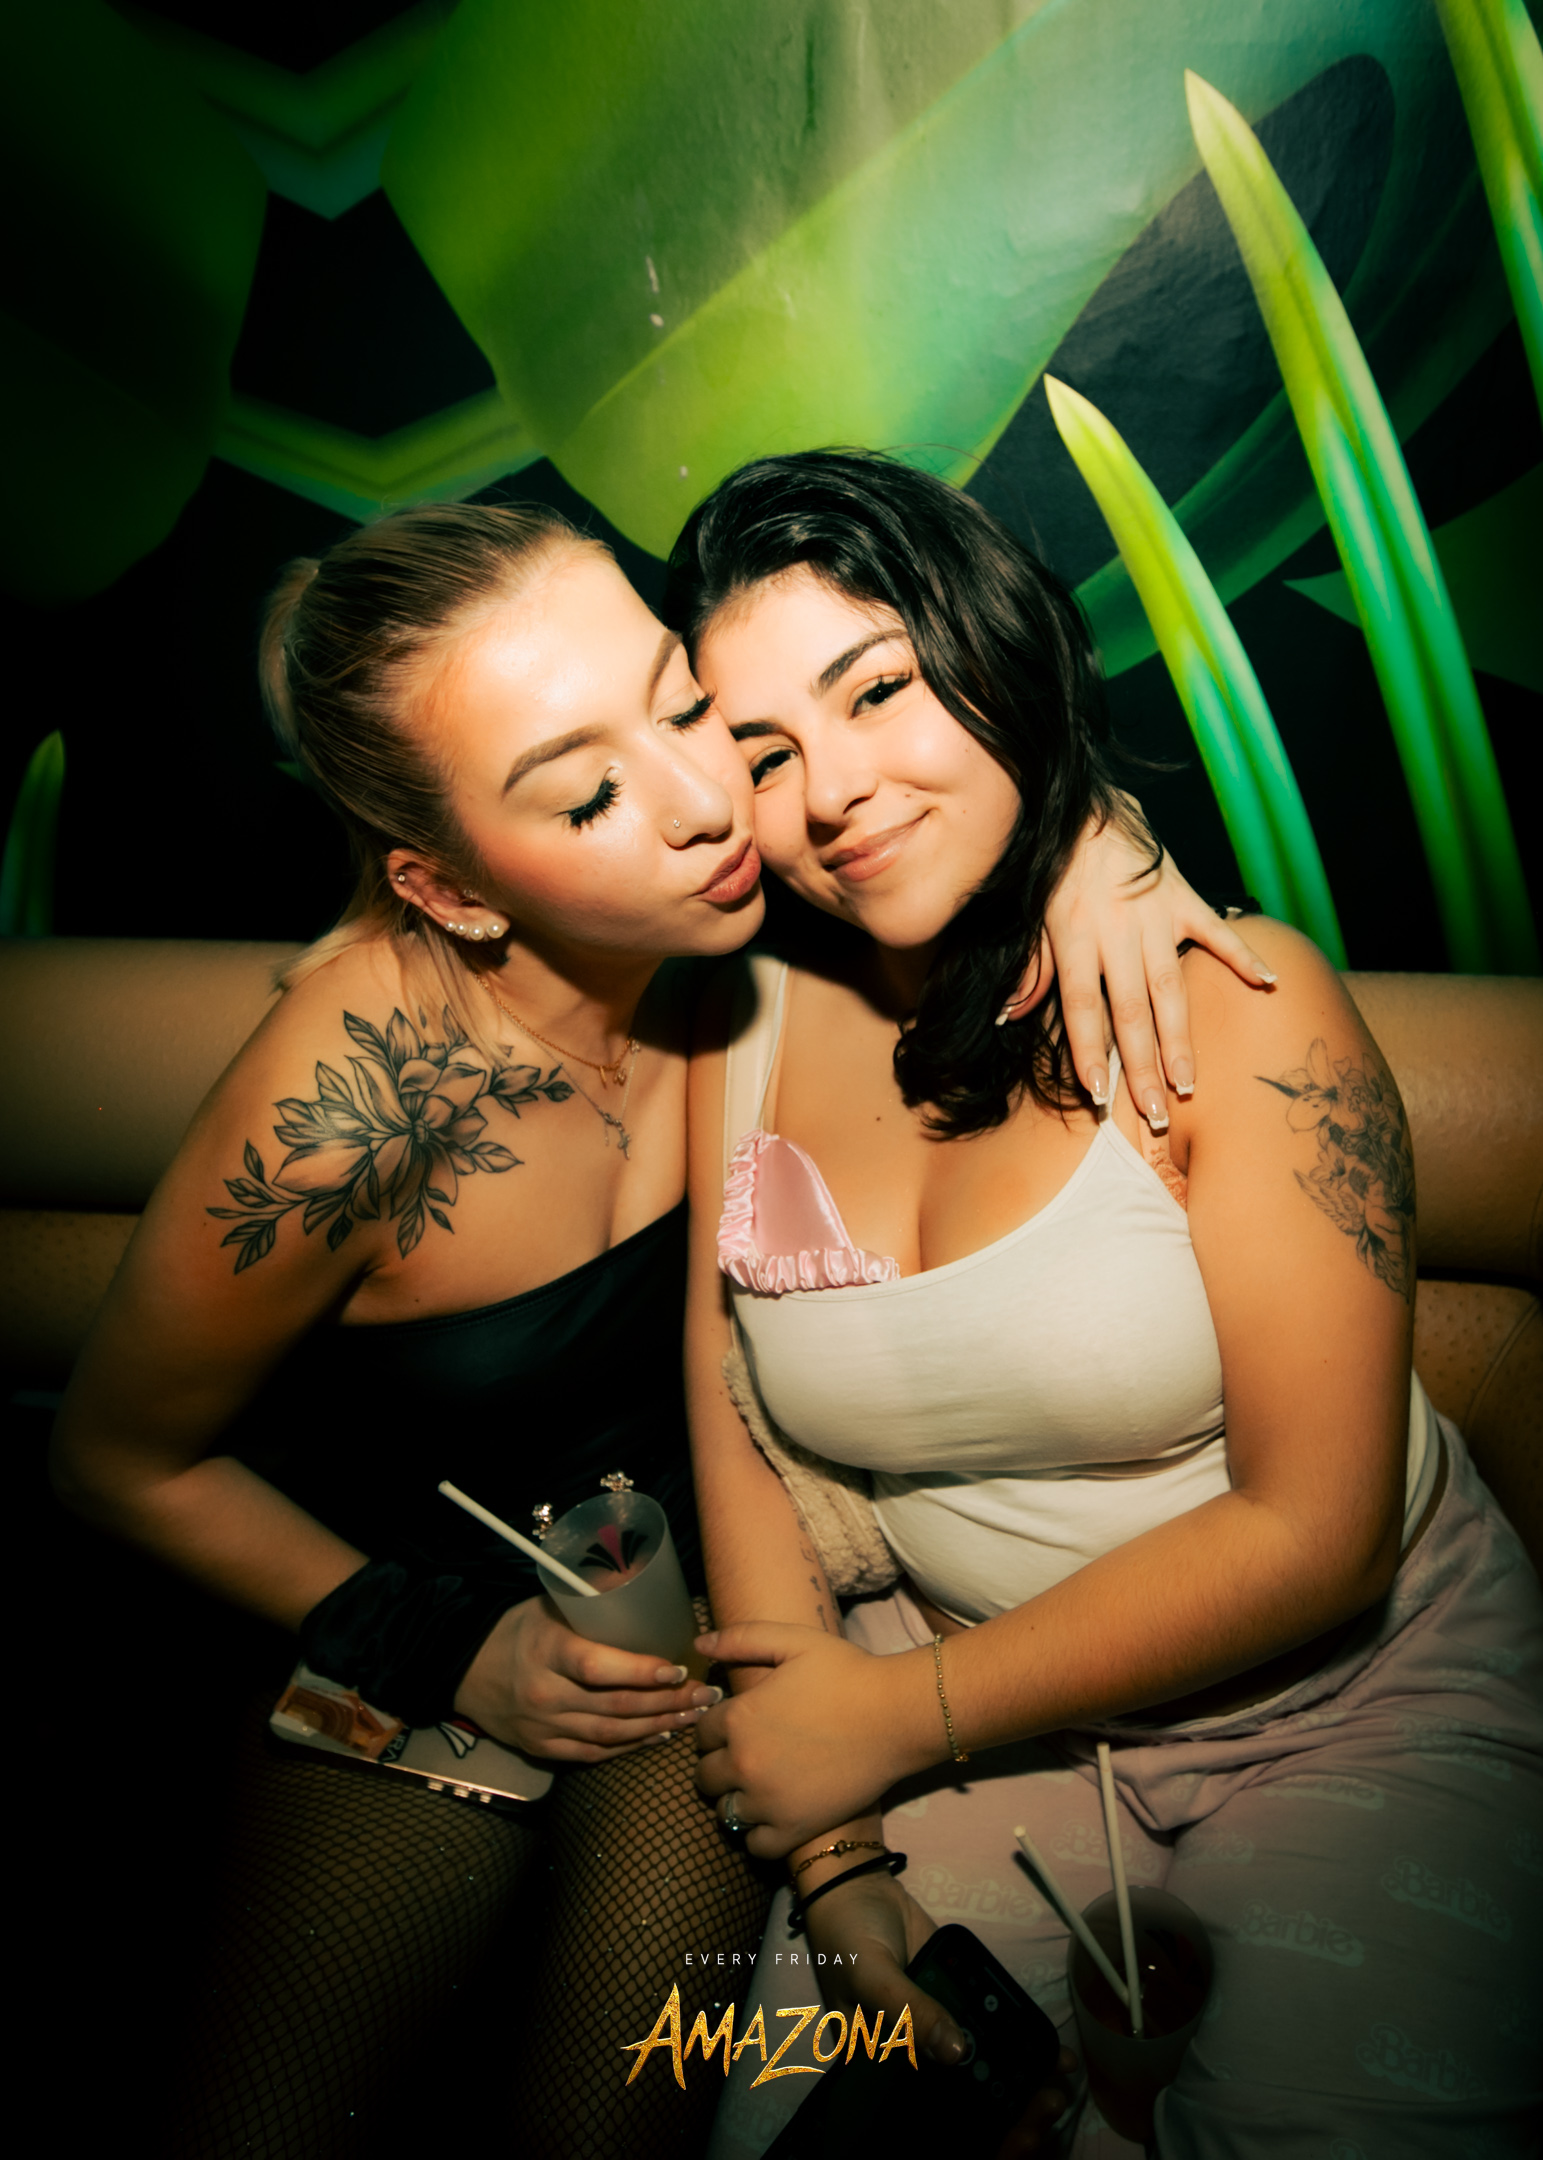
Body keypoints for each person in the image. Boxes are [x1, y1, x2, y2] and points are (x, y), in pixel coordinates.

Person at [48, 501, 1249, 2160]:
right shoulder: (350, 1113)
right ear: (446, 885)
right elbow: (115, 1457)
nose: (701, 803)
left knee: (617, 2127)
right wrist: (449, 1648)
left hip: (709, 1632)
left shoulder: (757, 921)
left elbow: (964, 771)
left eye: (686, 708)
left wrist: (1107, 840)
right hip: (419, 1625)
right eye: (587, 794)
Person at [671, 452, 1543, 2158]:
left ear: (991, 649)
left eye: (877, 690)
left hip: (1353, 1710)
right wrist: (838, 1869)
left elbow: (1321, 1538)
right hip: (951, 1722)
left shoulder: (1242, 1001)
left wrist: (888, 1722)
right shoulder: (740, 1026)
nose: (832, 788)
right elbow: (738, 1426)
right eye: (764, 752)